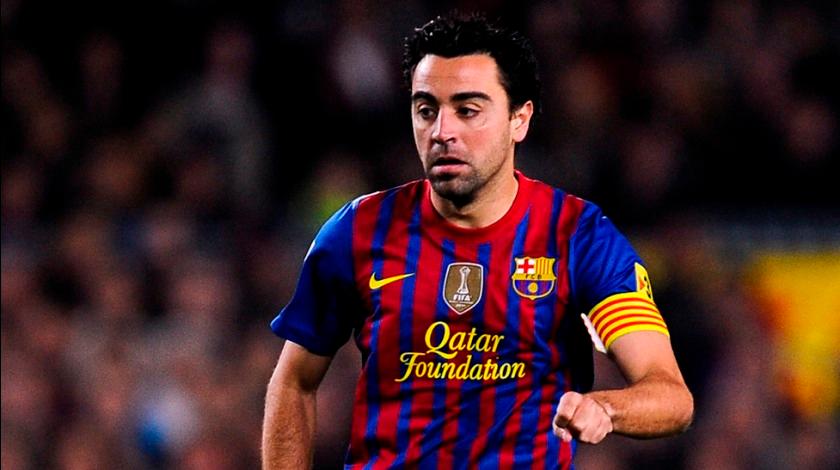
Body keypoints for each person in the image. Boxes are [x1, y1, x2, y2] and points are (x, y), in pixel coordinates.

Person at [262, 12, 693, 469]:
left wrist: (605, 408)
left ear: (519, 119)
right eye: (426, 110)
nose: (442, 132)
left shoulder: (577, 235)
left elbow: (670, 395)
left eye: (467, 110)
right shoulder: (358, 230)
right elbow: (294, 383)